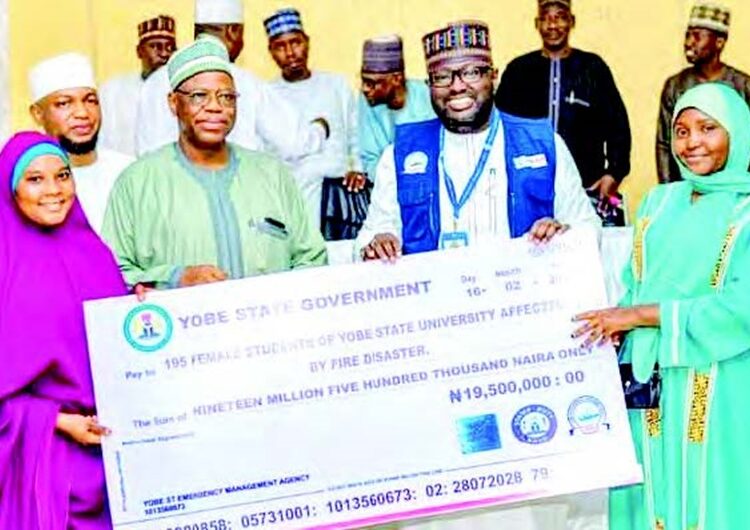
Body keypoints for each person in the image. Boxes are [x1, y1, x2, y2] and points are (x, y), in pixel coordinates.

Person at [574, 83, 750, 530]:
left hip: (721, 385)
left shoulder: (745, 212)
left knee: (713, 497)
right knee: (650, 496)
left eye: (708, 128)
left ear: (739, 133)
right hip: (649, 385)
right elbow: (636, 284)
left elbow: (738, 308)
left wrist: (635, 316)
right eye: (682, 131)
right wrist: (615, 322)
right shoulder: (658, 201)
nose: (692, 143)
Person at [356, 20, 599, 261]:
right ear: (429, 85)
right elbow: (369, 237)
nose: (457, 87)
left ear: (493, 76)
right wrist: (377, 245)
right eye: (442, 76)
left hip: (521, 294)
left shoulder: (545, 145)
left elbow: (589, 230)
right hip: (438, 297)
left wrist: (562, 235)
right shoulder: (399, 154)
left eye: (471, 72)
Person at [103, 36, 327, 290]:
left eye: (226, 97)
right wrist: (175, 277)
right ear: (174, 103)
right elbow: (112, 271)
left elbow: (312, 257)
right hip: (180, 328)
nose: (215, 107)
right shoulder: (137, 183)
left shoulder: (272, 174)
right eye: (199, 96)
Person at [0, 131, 127, 528]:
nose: (54, 190)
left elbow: (122, 344)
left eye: (63, 175)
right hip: (45, 467)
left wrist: (144, 306)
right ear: (10, 189)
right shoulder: (5, 266)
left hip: (116, 458)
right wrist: (57, 421)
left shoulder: (95, 253)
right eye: (35, 179)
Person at [135, 0, 328, 161]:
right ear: (232, 31)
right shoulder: (244, 81)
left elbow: (142, 152)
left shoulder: (154, 83)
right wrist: (320, 129)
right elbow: (294, 143)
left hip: (165, 201)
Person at [495, 0, 631, 205]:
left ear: (571, 21)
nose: (552, 25)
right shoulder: (519, 71)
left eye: (560, 17)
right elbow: (499, 125)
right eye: (546, 18)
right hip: (528, 189)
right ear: (536, 23)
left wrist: (614, 173)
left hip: (585, 187)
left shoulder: (592, 68)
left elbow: (617, 125)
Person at [264, 7, 365, 228]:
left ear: (307, 42)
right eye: (280, 46)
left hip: (339, 198)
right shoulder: (267, 95)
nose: (290, 52)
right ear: (271, 51)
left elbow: (356, 134)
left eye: (295, 42)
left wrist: (358, 168)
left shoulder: (336, 85)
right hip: (293, 201)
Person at [28, 52, 134, 233]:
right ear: (38, 114)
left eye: (91, 101)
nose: (82, 113)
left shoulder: (129, 171)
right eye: (64, 103)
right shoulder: (26, 182)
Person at [657, 1, 750, 183]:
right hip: (688, 190)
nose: (689, 43)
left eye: (698, 36)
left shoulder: (743, 85)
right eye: (688, 36)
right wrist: (669, 192)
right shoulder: (675, 85)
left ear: (719, 42)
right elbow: (664, 144)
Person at [358, 35, 435, 179]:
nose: (365, 89)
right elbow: (369, 160)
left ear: (396, 79)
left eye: (371, 83)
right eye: (363, 81)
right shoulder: (367, 103)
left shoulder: (429, 97)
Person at [98, 15, 176, 156]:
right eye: (155, 46)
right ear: (139, 51)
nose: (164, 53)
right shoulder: (113, 91)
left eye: (170, 47)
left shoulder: (182, 93)